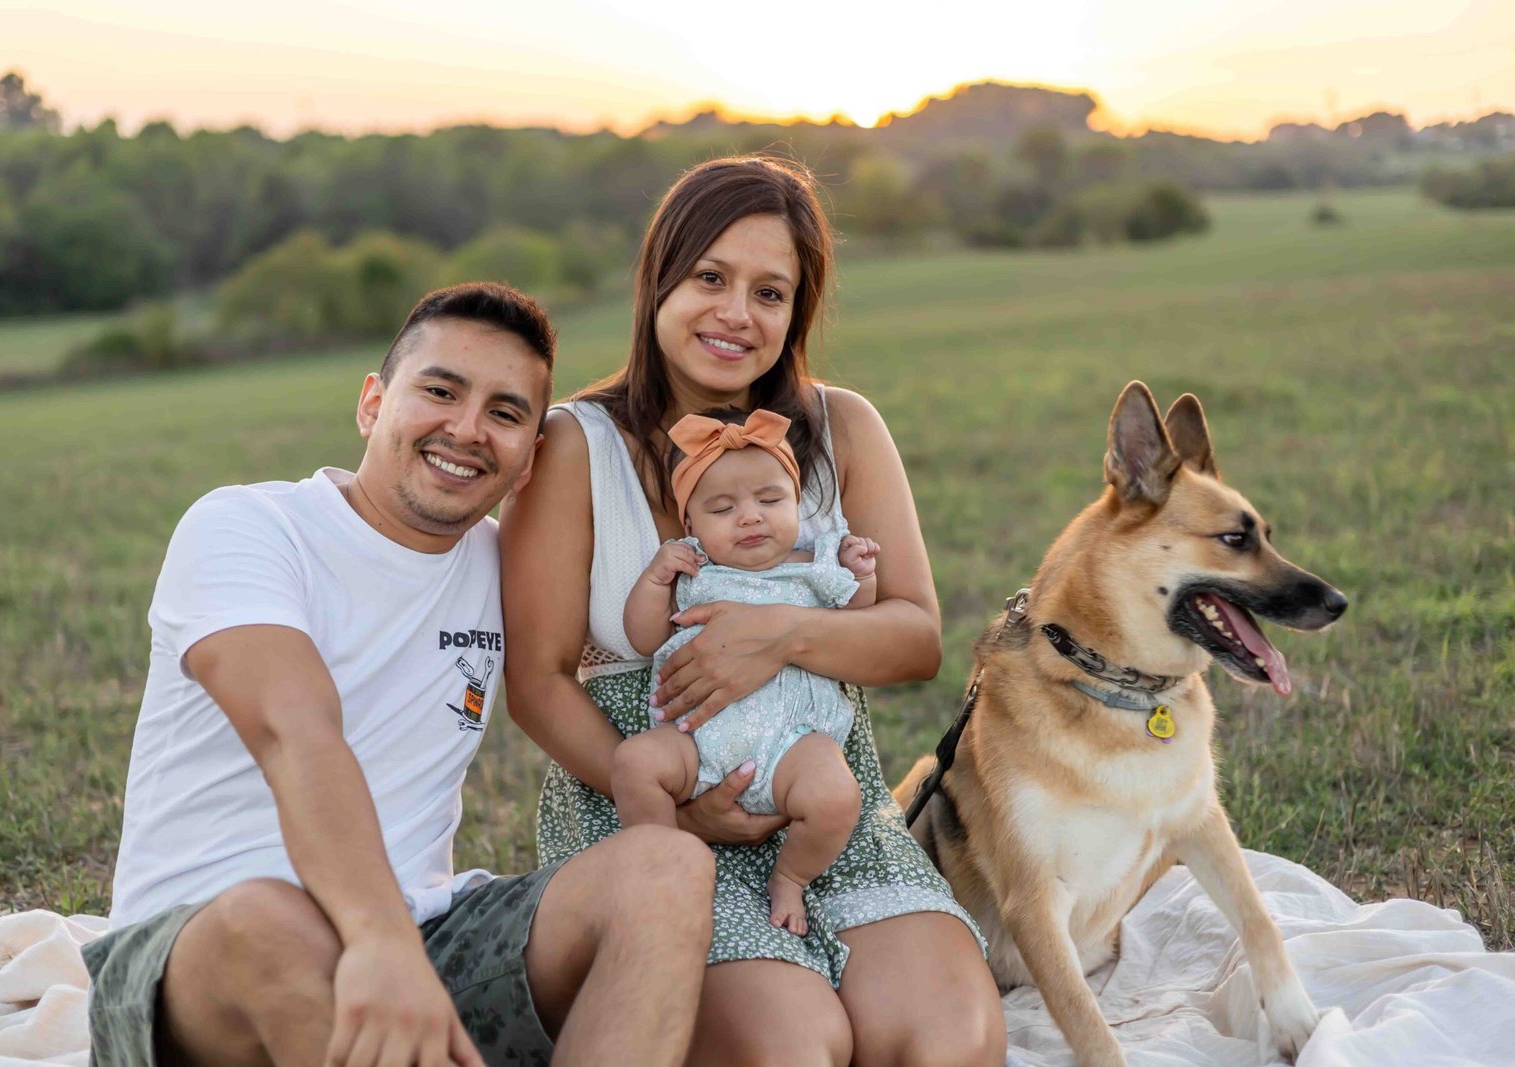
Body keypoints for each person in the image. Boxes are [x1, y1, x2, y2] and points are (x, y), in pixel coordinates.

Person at [84, 282, 715, 1067]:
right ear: (373, 404)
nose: (467, 428)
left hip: (422, 935)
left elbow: (665, 619)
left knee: (665, 867)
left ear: (527, 464)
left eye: (506, 413)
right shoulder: (249, 526)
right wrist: (378, 940)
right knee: (272, 921)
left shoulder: (505, 569)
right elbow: (295, 734)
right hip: (198, 949)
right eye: (440, 391)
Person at [500, 156, 1008, 1066]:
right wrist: (676, 807)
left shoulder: (842, 425)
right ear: (659, 276)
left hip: (822, 800)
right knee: (791, 1049)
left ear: (796, 313)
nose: (737, 313)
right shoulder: (574, 446)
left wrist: (781, 635)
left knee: (948, 1044)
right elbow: (535, 681)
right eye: (710, 277)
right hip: (641, 803)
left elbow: (918, 638)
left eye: (770, 292)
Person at [614, 407, 879, 937]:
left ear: (797, 504)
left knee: (836, 796)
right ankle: (663, 866)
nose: (751, 516)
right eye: (723, 507)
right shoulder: (691, 568)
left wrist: (861, 573)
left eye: (770, 499)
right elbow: (645, 639)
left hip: (793, 743)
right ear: (691, 526)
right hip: (697, 737)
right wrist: (652, 580)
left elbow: (857, 616)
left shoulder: (816, 563)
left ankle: (791, 877)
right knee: (635, 763)